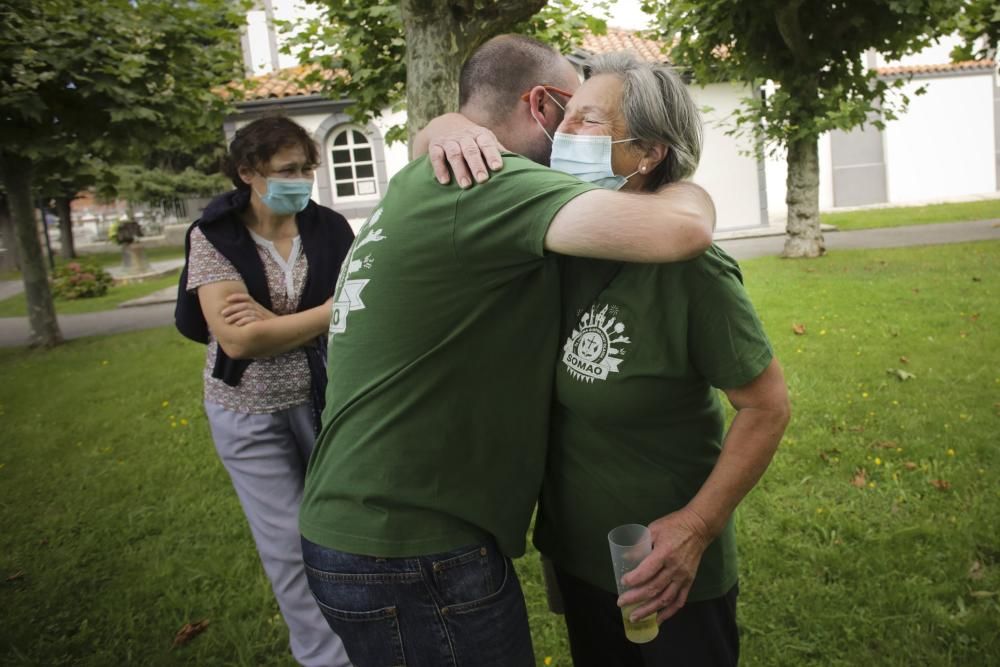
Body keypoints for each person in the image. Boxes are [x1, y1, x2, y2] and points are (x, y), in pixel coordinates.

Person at [298, 35, 717, 667]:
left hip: (368, 526)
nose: (577, 132)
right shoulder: (495, 184)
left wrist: (441, 126)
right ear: (543, 107)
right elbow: (684, 232)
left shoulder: (428, 173)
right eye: (573, 112)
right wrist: (685, 187)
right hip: (415, 544)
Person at [530, 52, 791, 666]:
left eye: (588, 123)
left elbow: (766, 407)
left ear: (646, 152)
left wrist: (697, 528)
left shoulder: (693, 273)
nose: (562, 135)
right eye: (564, 118)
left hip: (665, 568)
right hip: (577, 554)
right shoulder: (554, 241)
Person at [174, 116, 354, 667]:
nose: (300, 179)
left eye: (306, 168)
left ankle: (365, 637)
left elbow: (364, 312)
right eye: (286, 170)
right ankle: (325, 658)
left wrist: (272, 322)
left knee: (341, 533)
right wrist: (328, 312)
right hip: (247, 412)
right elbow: (239, 341)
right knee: (288, 546)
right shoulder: (215, 235)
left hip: (325, 401)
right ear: (249, 172)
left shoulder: (331, 229)